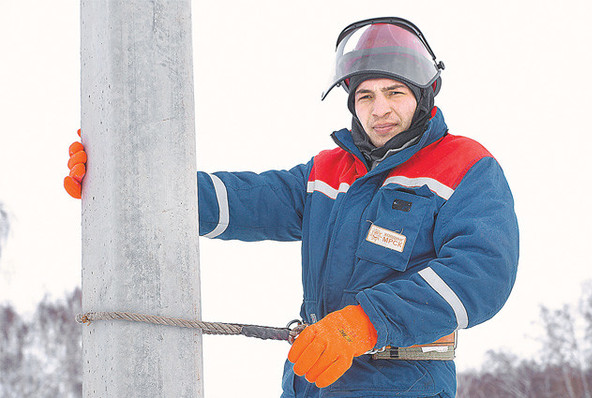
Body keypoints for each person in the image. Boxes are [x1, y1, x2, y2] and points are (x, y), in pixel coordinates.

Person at [65, 17, 519, 398]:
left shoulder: (465, 166)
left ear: (423, 95)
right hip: (313, 378)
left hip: (404, 382)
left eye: (394, 93)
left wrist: (365, 323)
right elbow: (247, 199)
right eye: (365, 96)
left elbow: (482, 273)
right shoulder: (329, 171)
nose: (380, 109)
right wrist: (127, 183)